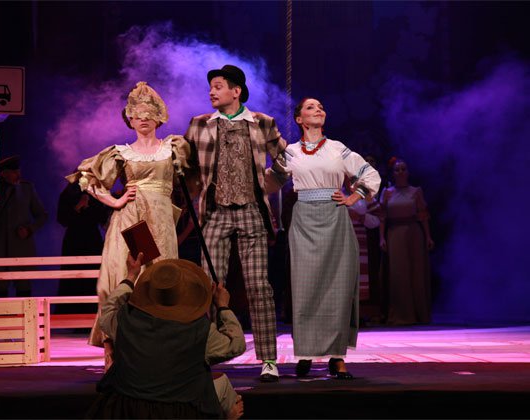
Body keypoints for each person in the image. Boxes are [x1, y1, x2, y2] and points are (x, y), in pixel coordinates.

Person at [66, 82, 190, 370]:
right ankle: (113, 350)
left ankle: (160, 352)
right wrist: (114, 201)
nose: (143, 118)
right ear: (130, 119)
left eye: (149, 113)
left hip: (160, 222)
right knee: (120, 278)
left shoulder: (173, 148)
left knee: (160, 280)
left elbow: (194, 177)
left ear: (159, 117)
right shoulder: (120, 153)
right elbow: (88, 179)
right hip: (130, 221)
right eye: (137, 114)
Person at [184, 64, 289, 382]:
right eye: (210, 87)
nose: (211, 92)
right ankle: (205, 354)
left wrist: (263, 187)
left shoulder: (262, 123)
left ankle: (268, 359)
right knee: (208, 285)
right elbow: (187, 168)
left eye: (218, 86)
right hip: (215, 213)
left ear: (236, 91)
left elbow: (285, 164)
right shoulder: (200, 124)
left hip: (251, 212)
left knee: (259, 286)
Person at [271, 97, 380, 379]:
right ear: (299, 119)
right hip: (304, 221)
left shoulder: (336, 148)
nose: (318, 109)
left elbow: (369, 173)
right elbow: (271, 180)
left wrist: (354, 196)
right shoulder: (291, 151)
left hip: (335, 218)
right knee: (305, 287)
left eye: (320, 107)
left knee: (338, 287)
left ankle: (337, 357)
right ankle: (306, 353)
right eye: (311, 107)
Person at [86, 253, 246, 419]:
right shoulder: (199, 330)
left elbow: (108, 310)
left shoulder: (126, 321)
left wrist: (131, 276)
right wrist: (223, 306)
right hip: (178, 411)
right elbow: (236, 344)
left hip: (129, 409)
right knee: (224, 387)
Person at [0, 155, 48, 297]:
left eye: (18, 171)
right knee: (0, 289)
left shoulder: (27, 188)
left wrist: (29, 229)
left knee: (24, 290)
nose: (18, 175)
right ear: (3, 174)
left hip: (22, 249)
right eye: (14, 172)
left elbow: (42, 215)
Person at [379, 158, 434, 325]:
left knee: (415, 273)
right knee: (398, 274)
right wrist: (381, 237)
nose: (401, 172)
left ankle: (418, 313)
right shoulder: (387, 192)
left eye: (403, 169)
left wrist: (428, 236)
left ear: (408, 172)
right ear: (393, 173)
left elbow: (423, 215)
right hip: (394, 234)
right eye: (397, 170)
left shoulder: (415, 191)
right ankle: (401, 314)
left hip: (413, 234)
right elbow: (382, 217)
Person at [56, 179, 110, 314]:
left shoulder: (96, 194)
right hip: (73, 241)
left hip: (92, 240)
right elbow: (62, 219)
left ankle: (93, 311)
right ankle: (71, 313)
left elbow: (102, 218)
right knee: (72, 277)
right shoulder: (67, 194)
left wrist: (110, 201)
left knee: (93, 277)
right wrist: (78, 206)